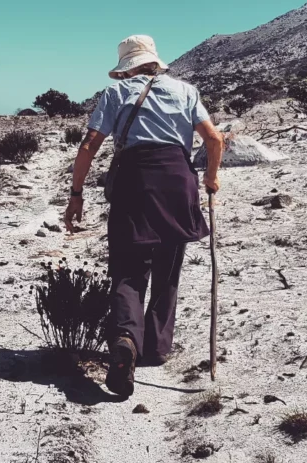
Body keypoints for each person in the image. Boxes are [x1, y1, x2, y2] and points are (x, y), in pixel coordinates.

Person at [64, 35, 226, 397]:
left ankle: (125, 338)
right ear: (154, 61)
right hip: (177, 181)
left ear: (127, 67)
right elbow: (214, 140)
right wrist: (212, 177)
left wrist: (76, 195)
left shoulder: (115, 94)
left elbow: (90, 145)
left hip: (134, 182)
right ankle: (155, 347)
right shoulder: (186, 91)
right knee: (168, 268)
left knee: (127, 266)